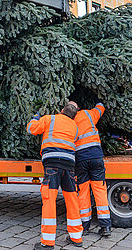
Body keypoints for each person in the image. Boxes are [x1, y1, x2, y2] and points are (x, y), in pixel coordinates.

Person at [27, 101, 83, 249]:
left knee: (49, 200)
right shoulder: (75, 127)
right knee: (72, 199)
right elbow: (75, 140)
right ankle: (76, 237)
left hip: (52, 164)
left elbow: (32, 129)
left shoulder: (49, 119)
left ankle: (47, 242)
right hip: (69, 164)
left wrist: (35, 118)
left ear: (61, 110)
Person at [74, 102, 111, 237]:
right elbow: (100, 108)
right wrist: (100, 101)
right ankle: (105, 226)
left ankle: (85, 226)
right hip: (96, 157)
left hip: (80, 159)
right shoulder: (89, 114)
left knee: (82, 192)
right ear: (79, 108)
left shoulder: (68, 121)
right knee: (100, 191)